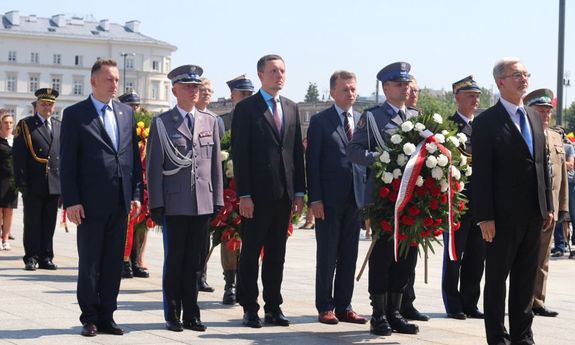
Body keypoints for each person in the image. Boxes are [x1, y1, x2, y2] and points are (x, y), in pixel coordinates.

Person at [472, 57, 553, 345]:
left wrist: (548, 206)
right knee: (497, 281)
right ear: (500, 82)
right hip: (501, 218)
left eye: (525, 74)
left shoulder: (532, 116)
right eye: (516, 75)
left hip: (534, 214)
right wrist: (485, 217)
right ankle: (498, 337)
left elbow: (542, 164)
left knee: (524, 279)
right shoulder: (486, 122)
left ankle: (523, 335)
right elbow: (481, 173)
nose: (523, 79)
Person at [60, 59, 143, 337]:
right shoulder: (75, 114)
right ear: (94, 81)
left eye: (117, 79)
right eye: (109, 79)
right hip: (89, 203)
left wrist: (135, 194)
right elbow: (68, 162)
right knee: (90, 262)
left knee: (112, 262)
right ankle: (90, 317)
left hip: (120, 201)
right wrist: (72, 200)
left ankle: (107, 315)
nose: (115, 84)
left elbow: (132, 158)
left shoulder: (125, 113)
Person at [147, 64, 223, 333]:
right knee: (175, 261)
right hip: (175, 203)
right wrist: (155, 202)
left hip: (202, 203)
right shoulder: (162, 123)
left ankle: (192, 313)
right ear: (174, 89)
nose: (194, 90)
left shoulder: (210, 121)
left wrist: (218, 201)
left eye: (196, 86)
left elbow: (215, 165)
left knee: (195, 263)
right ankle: (173, 314)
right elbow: (154, 166)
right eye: (188, 86)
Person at [232, 54, 306, 328]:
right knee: (251, 253)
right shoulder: (247, 108)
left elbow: (296, 152)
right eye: (273, 71)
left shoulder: (291, 107)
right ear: (261, 74)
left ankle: (274, 306)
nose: (280, 75)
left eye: (283, 70)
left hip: (284, 195)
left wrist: (300, 192)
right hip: (257, 196)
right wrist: (244, 194)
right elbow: (241, 155)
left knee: (277, 254)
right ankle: (249, 307)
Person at [347, 62, 420, 336]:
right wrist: (381, 160)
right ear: (386, 88)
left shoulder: (416, 115)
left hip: (412, 198)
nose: (405, 88)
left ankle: (395, 311)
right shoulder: (373, 118)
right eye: (399, 84)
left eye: (407, 84)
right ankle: (378, 313)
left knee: (407, 255)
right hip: (384, 198)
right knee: (383, 256)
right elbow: (354, 152)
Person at [306, 70, 367, 325]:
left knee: (349, 255)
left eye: (353, 89)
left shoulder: (363, 120)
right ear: (332, 92)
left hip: (355, 199)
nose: (350, 93)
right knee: (328, 254)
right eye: (345, 89)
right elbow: (313, 163)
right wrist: (315, 199)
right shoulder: (321, 122)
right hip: (328, 202)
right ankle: (325, 306)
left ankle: (344, 305)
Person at [441, 76, 485, 320]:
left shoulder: (483, 126)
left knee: (477, 257)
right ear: (457, 97)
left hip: (480, 203)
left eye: (477, 96)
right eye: (469, 95)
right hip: (457, 202)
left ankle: (470, 302)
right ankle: (453, 303)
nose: (475, 100)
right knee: (454, 256)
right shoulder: (448, 127)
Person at [524, 88, 568, 318]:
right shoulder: (524, 135)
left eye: (548, 111)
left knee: (543, 257)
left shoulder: (555, 136)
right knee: (521, 258)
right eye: (540, 111)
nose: (545, 116)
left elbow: (560, 176)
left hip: (549, 210)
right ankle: (520, 300)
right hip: (528, 207)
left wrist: (563, 209)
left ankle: (537, 302)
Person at [13, 88, 61, 271]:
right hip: (33, 183)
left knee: (49, 223)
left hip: (54, 183)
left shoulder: (58, 126)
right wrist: (22, 183)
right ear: (37, 105)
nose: (47, 107)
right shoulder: (26, 125)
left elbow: (61, 156)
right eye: (43, 104)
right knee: (33, 222)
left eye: (50, 104)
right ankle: (31, 257)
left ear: (54, 107)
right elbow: (19, 157)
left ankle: (46, 256)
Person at [218, 74, 255, 305]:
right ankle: (229, 283)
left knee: (252, 239)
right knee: (229, 236)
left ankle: (246, 282)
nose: (246, 98)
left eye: (249, 94)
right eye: (242, 94)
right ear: (233, 96)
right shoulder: (223, 122)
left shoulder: (259, 117)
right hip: (229, 187)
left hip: (254, 189)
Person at [399, 75, 429, 322]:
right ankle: (392, 304)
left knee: (411, 254)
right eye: (409, 89)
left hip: (416, 198)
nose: (413, 94)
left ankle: (408, 301)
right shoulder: (394, 119)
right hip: (393, 196)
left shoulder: (420, 120)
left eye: (416, 90)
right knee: (392, 256)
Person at [117, 91, 149, 279]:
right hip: (125, 182)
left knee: (141, 225)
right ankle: (124, 261)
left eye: (136, 106)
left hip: (141, 184)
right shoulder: (123, 127)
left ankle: (136, 260)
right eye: (130, 106)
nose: (134, 109)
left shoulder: (144, 129)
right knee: (126, 225)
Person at [0, 111, 17, 251]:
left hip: (12, 181)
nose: (8, 125)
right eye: (6, 122)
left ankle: (5, 239)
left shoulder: (16, 140)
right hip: (0, 179)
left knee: (9, 211)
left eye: (11, 122)